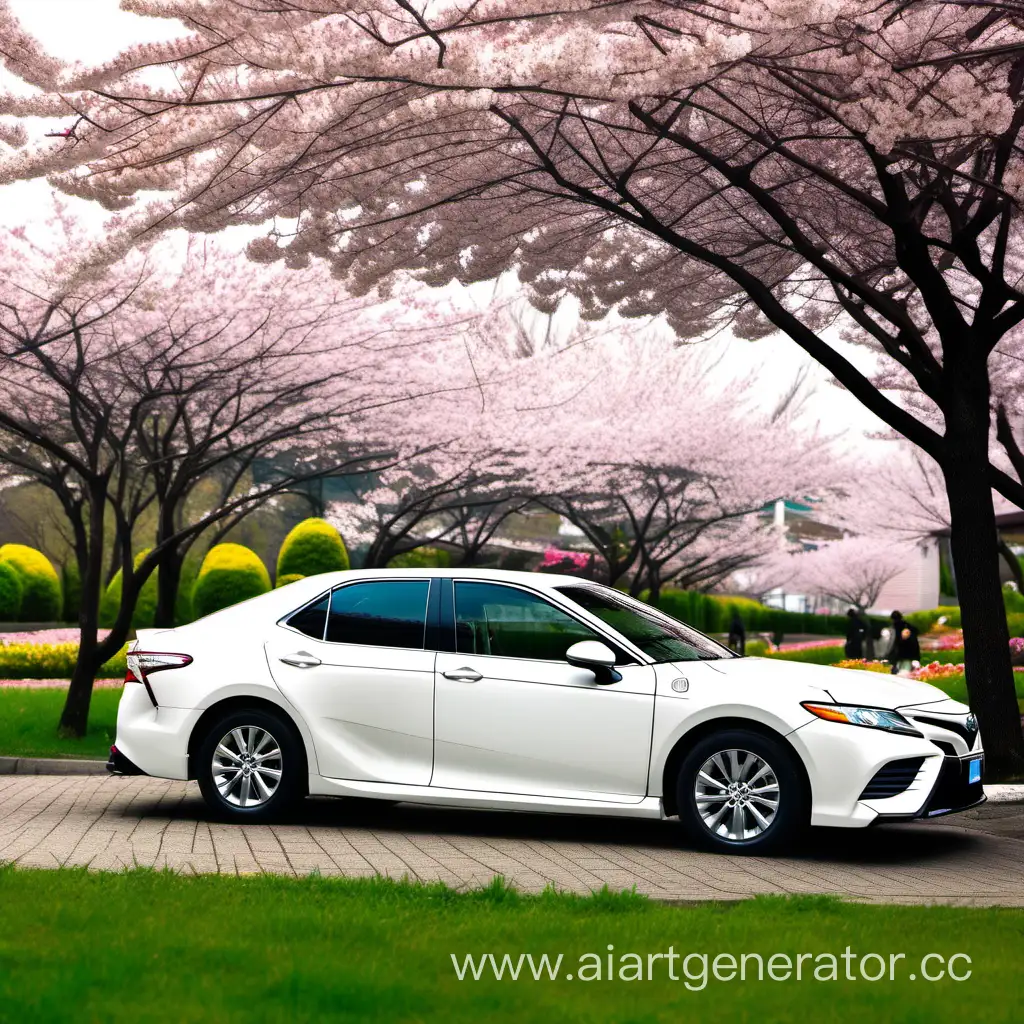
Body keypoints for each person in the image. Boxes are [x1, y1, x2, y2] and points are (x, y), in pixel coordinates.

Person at [887, 610, 920, 675]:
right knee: (905, 670)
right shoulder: (908, 626)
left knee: (899, 670)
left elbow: (893, 642)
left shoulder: (895, 627)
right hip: (909, 653)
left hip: (900, 653)